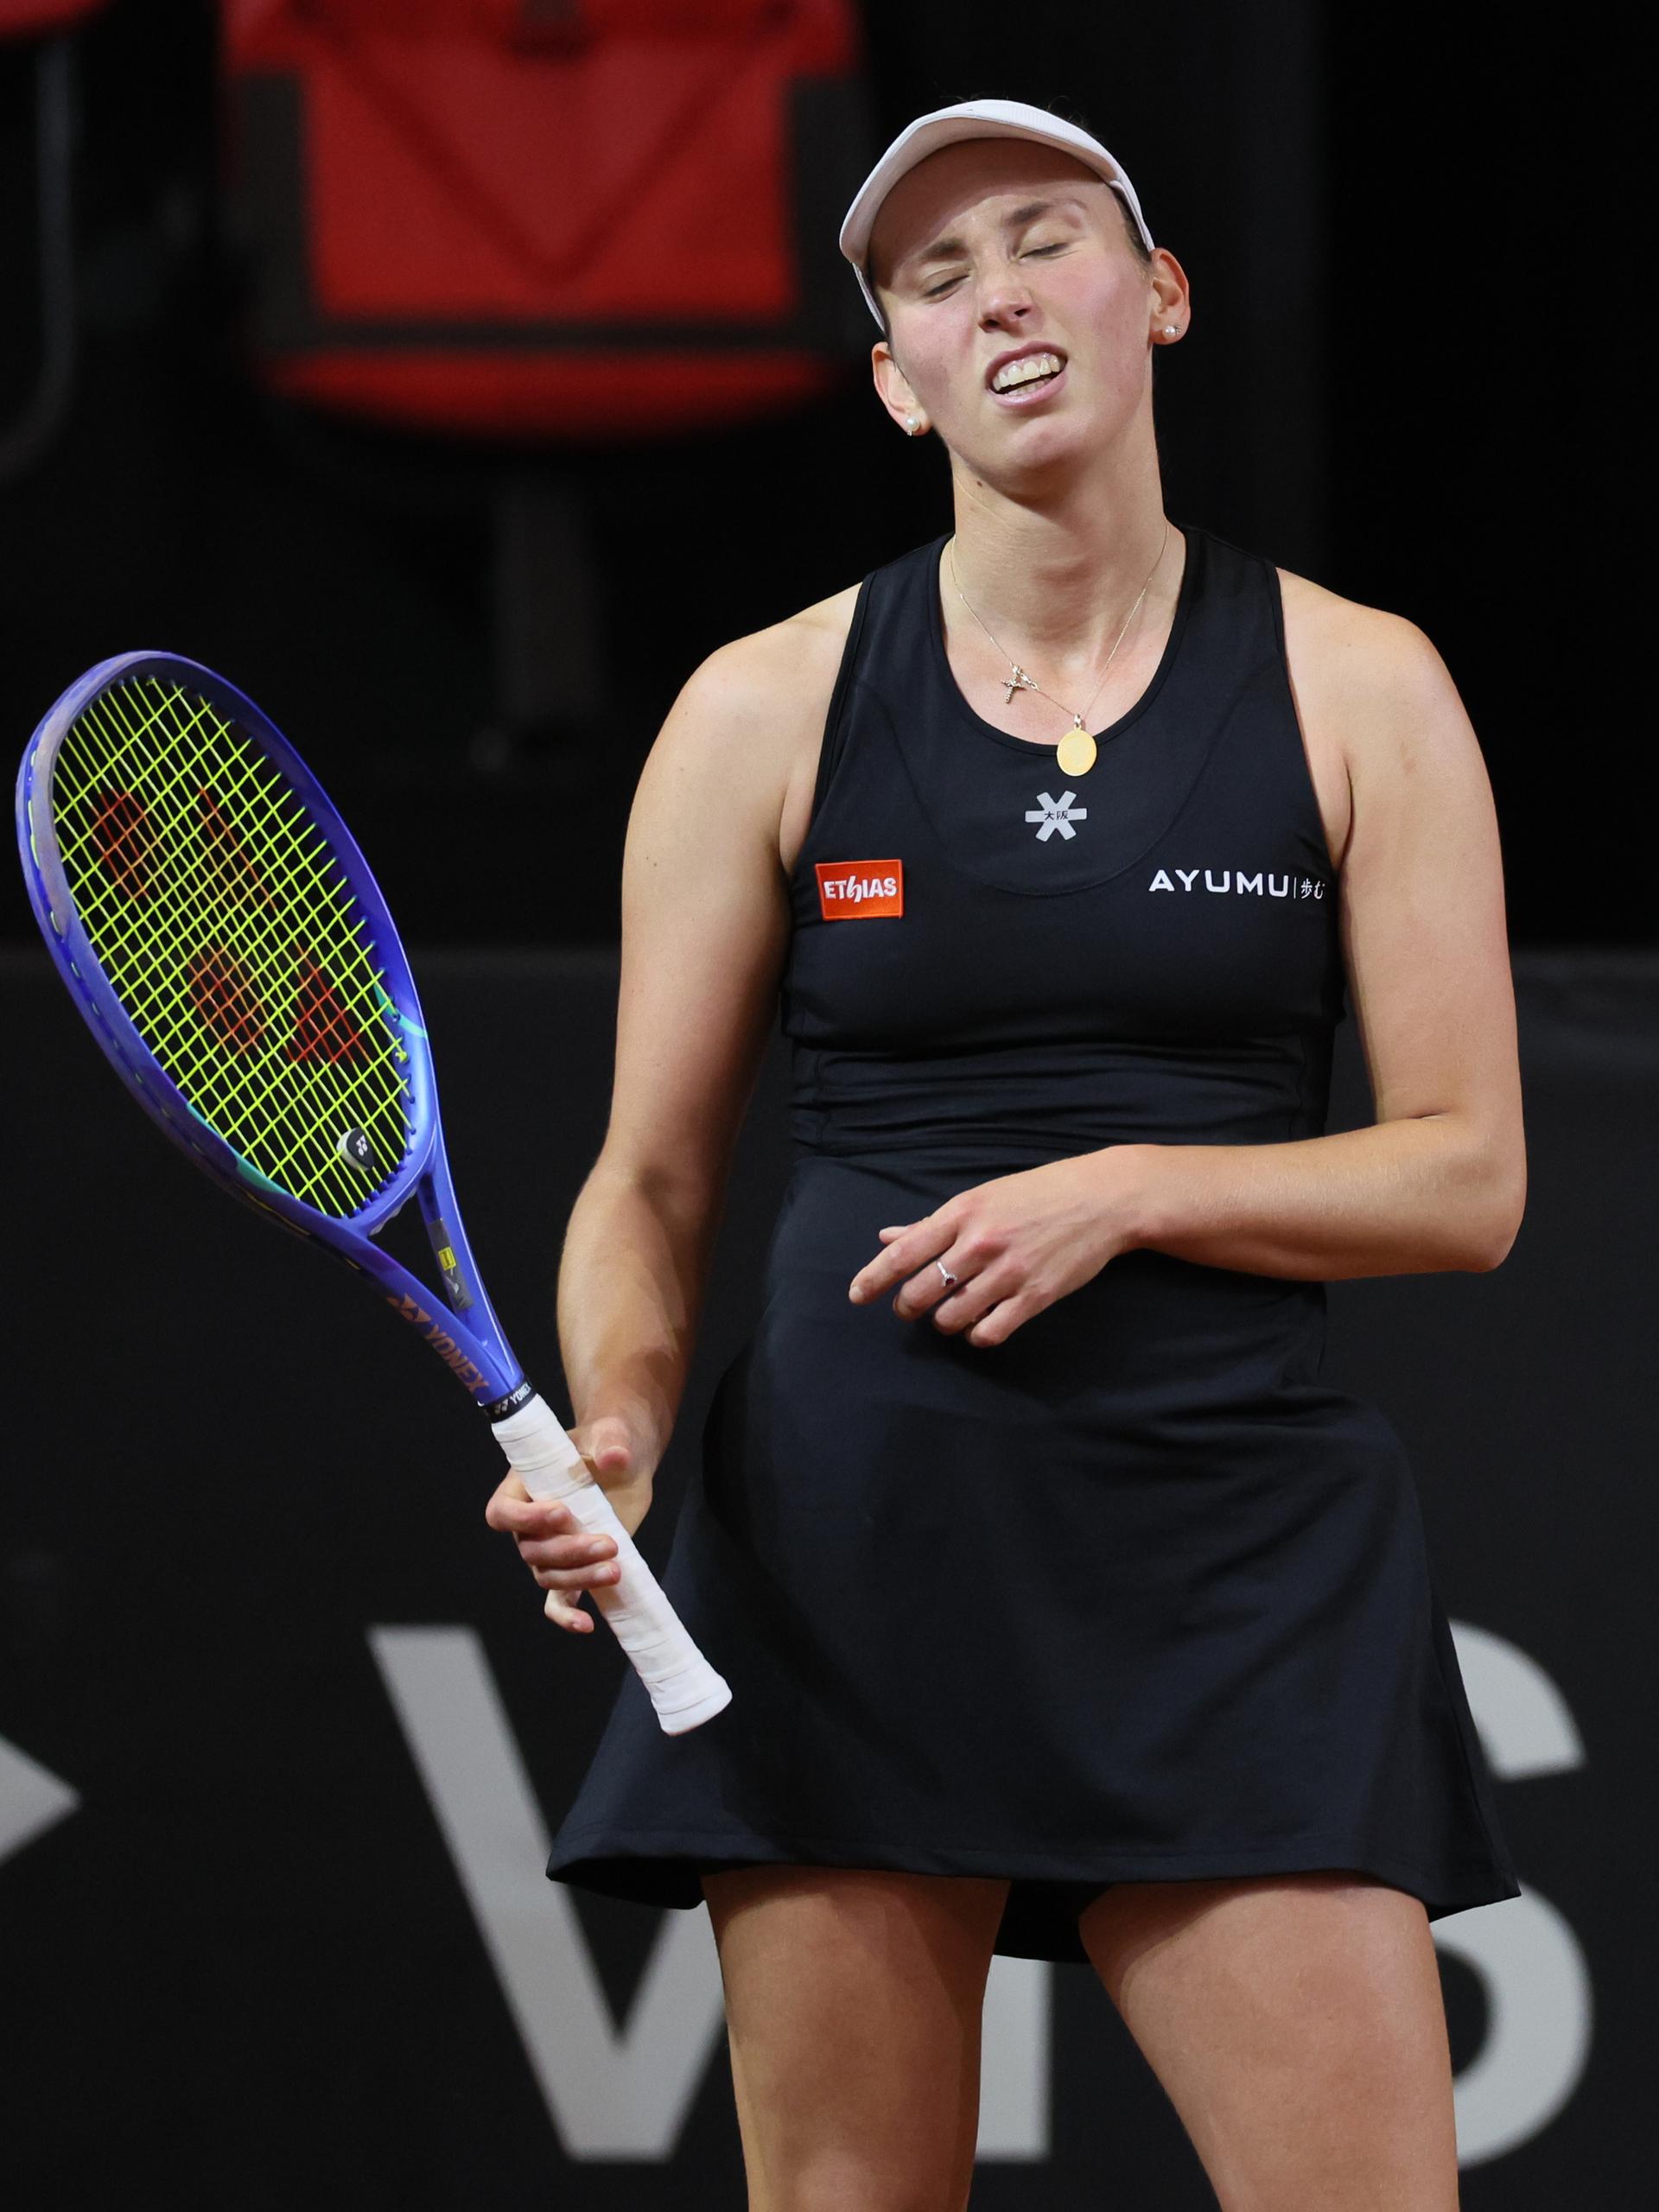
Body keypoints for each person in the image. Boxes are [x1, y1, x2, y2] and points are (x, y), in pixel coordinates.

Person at [485, 96, 1525, 2211]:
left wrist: (1133, 1184)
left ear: (1157, 293)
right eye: (935, 281)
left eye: (1046, 241)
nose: (1000, 299)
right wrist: (619, 1415)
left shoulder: (1363, 686)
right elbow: (653, 1186)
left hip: (1233, 1545)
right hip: (849, 1542)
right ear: (896, 380)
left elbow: (1465, 1175)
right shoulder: (761, 709)